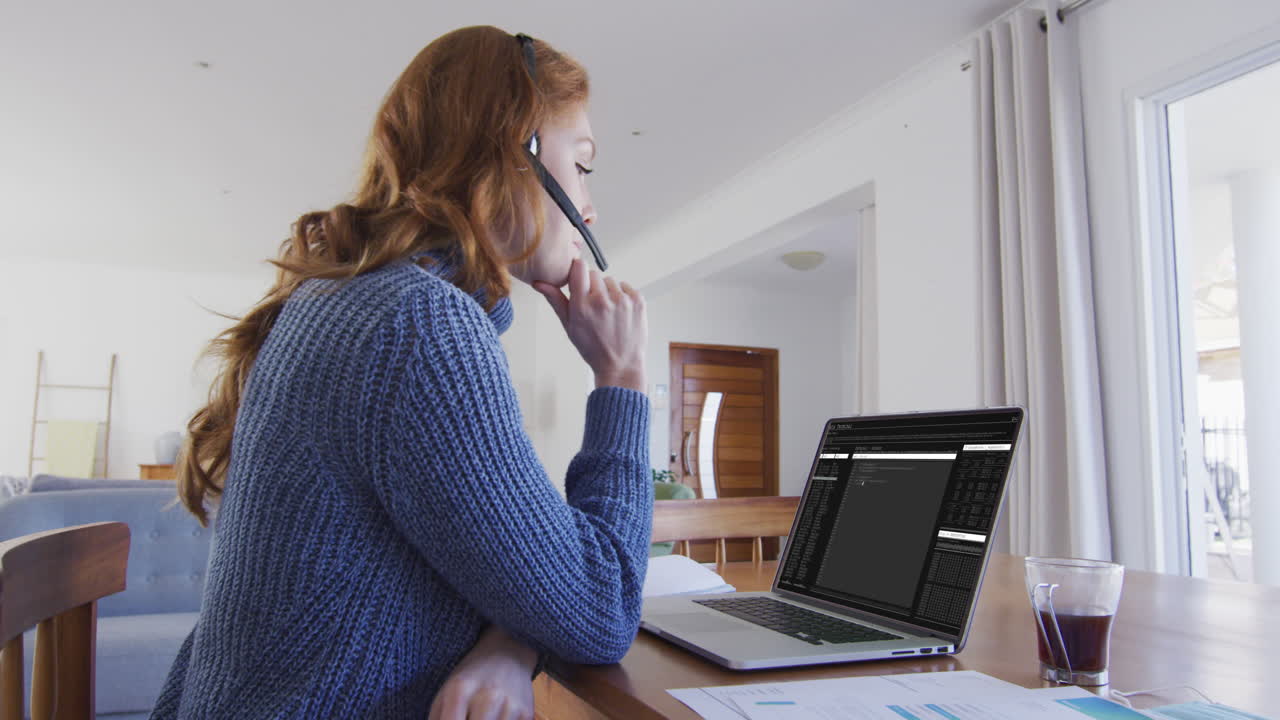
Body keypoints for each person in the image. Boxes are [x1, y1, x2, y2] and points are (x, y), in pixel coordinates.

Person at [150, 25, 652, 720]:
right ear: (518, 151)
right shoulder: (420, 329)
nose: (590, 204)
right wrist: (621, 380)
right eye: (583, 164)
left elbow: (514, 562)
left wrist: (509, 642)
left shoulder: (359, 302)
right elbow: (602, 609)